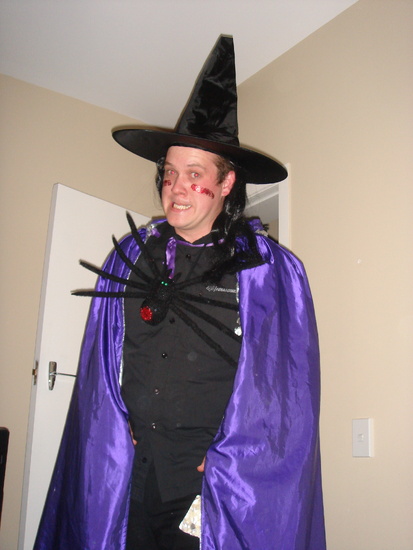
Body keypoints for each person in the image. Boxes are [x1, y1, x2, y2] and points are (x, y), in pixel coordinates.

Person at [34, 36, 326, 550]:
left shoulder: (265, 270)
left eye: (195, 175)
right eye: (170, 174)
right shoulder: (130, 257)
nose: (176, 187)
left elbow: (284, 393)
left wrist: (236, 455)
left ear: (227, 184)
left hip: (208, 477)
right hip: (129, 466)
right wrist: (112, 427)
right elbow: (103, 365)